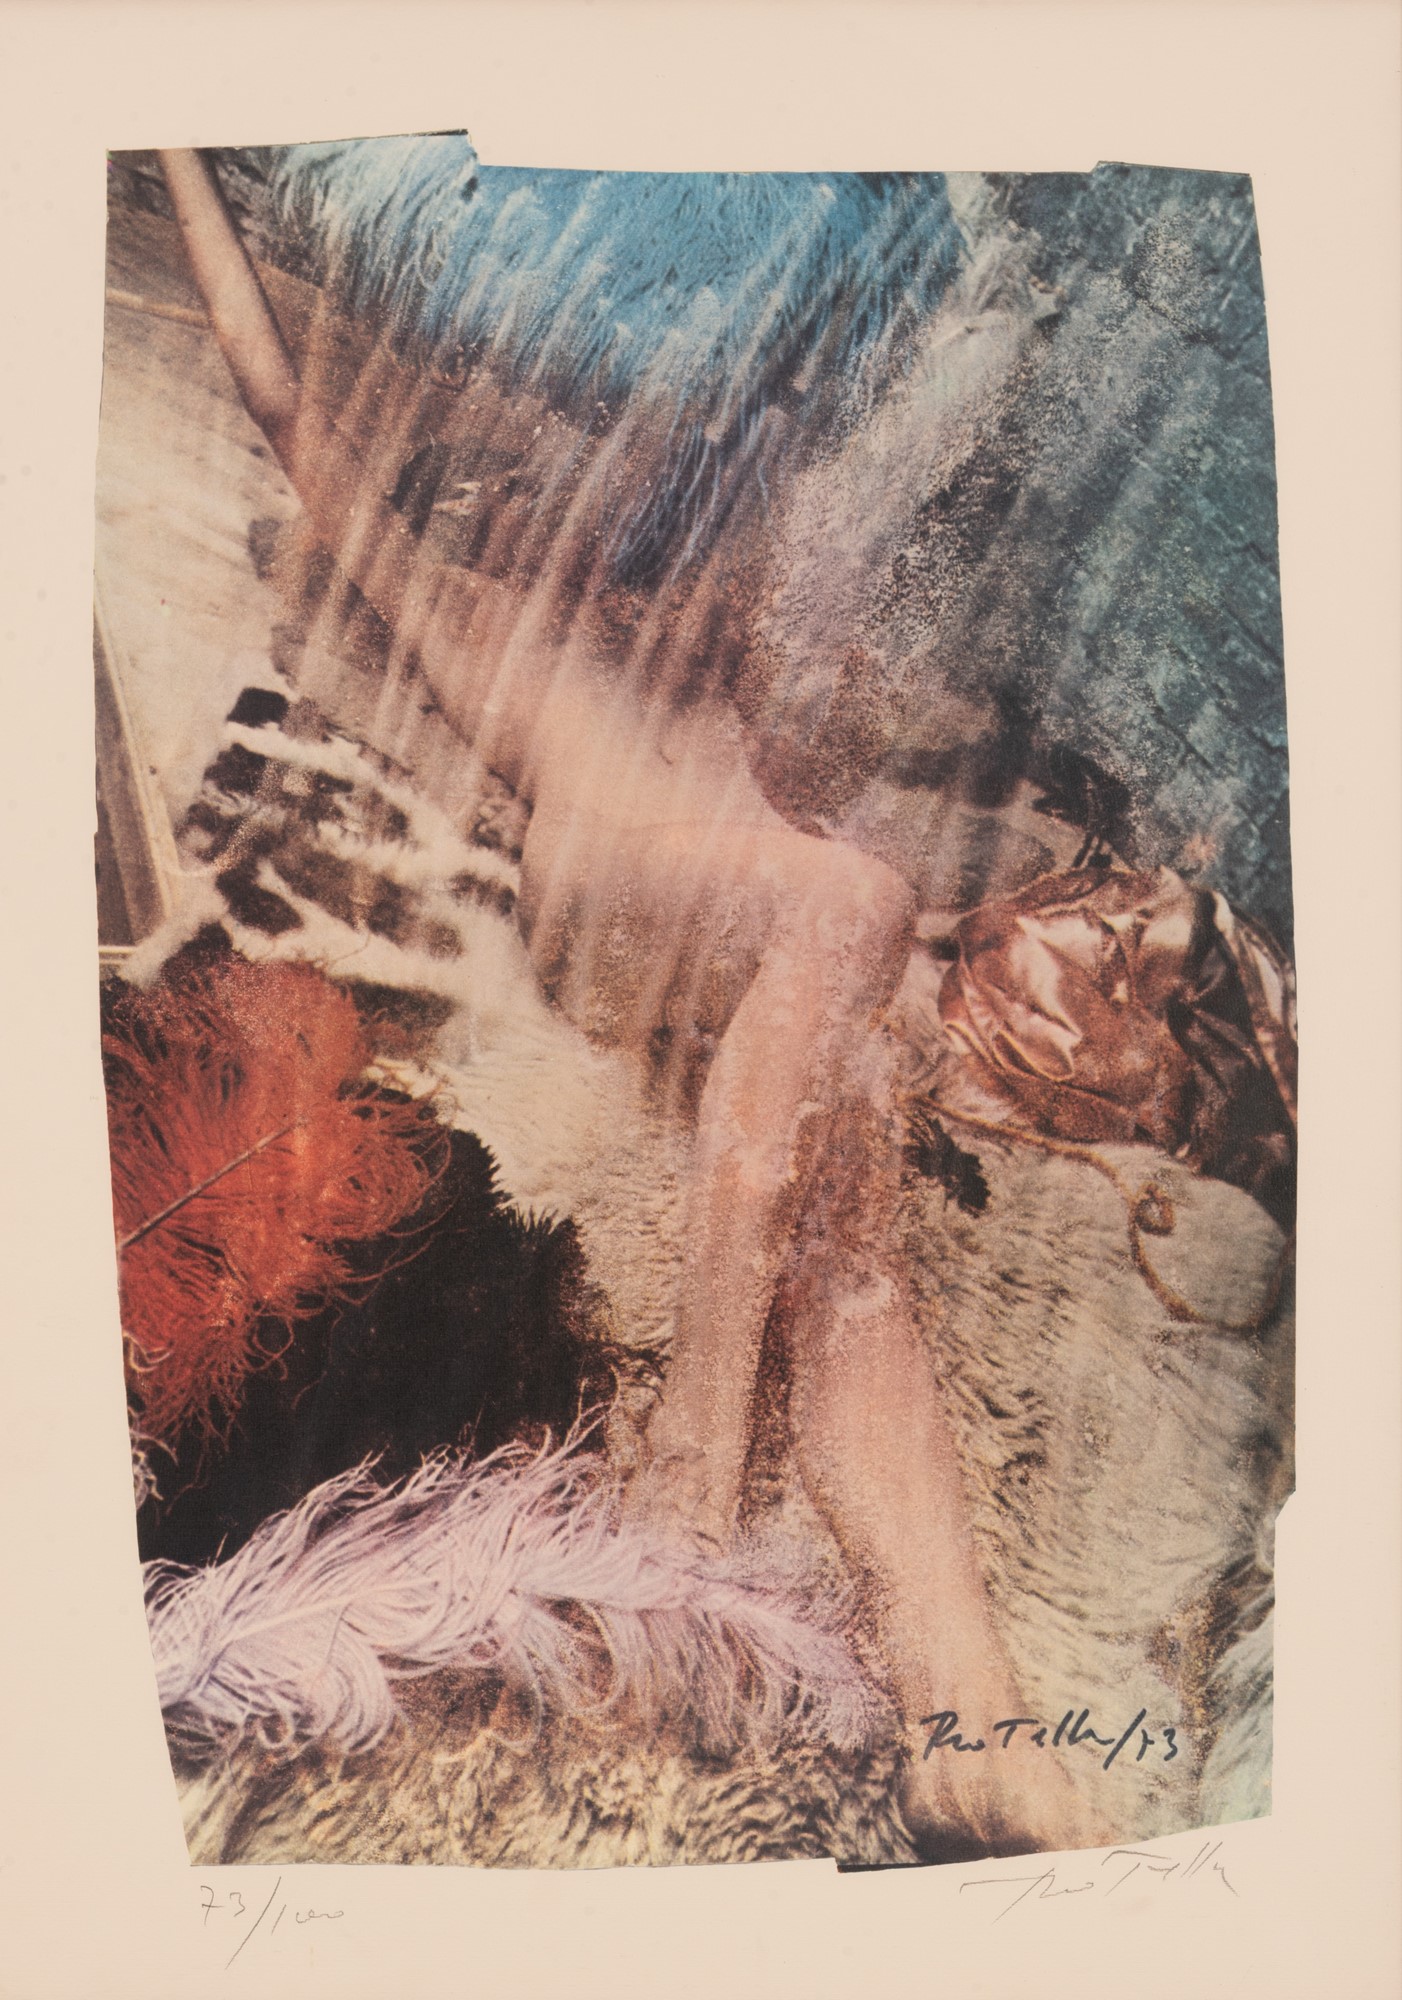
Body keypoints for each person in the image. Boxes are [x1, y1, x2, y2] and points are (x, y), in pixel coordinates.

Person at [158, 146, 1107, 1859]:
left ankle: (969, 1715)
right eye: (512, 483)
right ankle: (693, 1437)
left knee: (859, 1266)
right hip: (631, 907)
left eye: (592, 474)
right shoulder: (482, 621)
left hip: (766, 973)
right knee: (850, 897)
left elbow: (856, 460)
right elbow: (284, 403)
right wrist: (161, 131)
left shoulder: (739, 627)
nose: (561, 494)